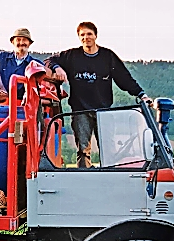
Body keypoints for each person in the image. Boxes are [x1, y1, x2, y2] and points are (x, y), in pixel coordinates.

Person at [45, 21, 152, 167]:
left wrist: (141, 94)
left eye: (89, 34)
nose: (86, 37)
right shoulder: (71, 56)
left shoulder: (107, 56)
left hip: (104, 112)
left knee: (108, 149)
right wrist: (57, 68)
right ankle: (84, 177)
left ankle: (110, 177)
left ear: (95, 36)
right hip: (80, 110)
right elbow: (49, 60)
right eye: (82, 35)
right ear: (79, 37)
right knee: (83, 149)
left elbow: (124, 78)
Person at [0, 24, 45, 98]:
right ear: (13, 42)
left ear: (29, 43)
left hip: (23, 106)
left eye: (24, 40)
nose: (21, 43)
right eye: (18, 40)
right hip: (1, 104)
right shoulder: (3, 58)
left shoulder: (35, 65)